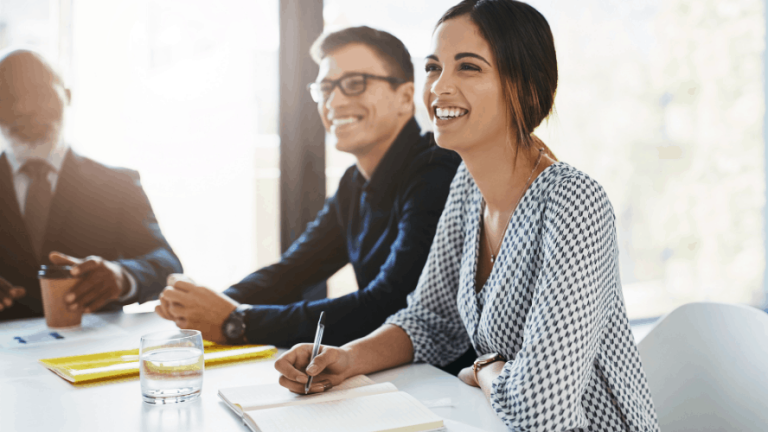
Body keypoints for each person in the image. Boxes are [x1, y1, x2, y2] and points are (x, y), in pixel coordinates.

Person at [274, 1, 660, 431]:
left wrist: (484, 371)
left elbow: (541, 411)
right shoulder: (466, 187)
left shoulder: (573, 204)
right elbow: (430, 320)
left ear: (526, 88)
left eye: (469, 68)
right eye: (434, 67)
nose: (440, 87)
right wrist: (346, 358)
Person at [155, 27, 462, 350]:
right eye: (326, 88)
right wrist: (204, 306)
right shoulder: (354, 183)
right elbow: (292, 271)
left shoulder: (435, 172)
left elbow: (389, 304)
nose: (336, 100)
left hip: (446, 379)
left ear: (404, 97)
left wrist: (238, 321)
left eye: (355, 84)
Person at [0, 49, 183, 322]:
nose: (25, 108)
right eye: (9, 97)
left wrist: (122, 276)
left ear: (68, 95)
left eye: (39, 93)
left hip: (94, 354)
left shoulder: (116, 184)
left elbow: (167, 264)